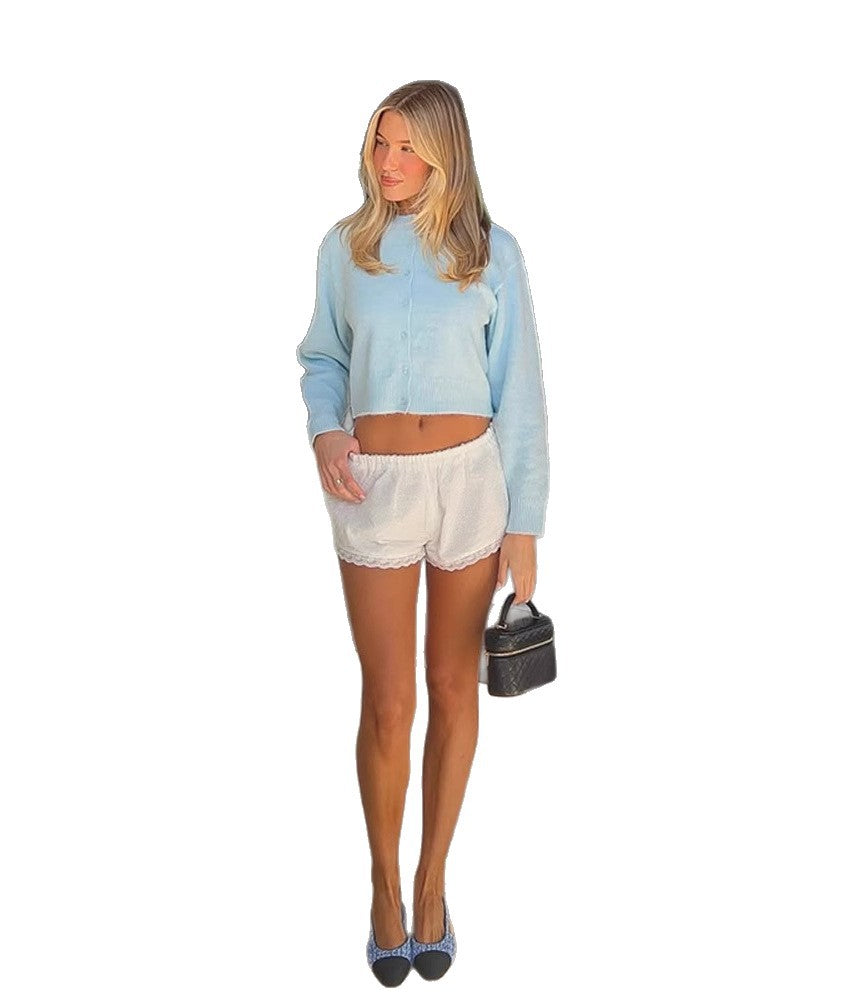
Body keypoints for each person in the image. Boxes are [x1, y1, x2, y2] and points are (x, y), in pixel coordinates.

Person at [295, 80, 550, 986]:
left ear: (446, 151)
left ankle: (432, 882)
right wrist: (327, 428)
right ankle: (383, 887)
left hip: (472, 482)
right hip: (375, 484)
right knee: (389, 701)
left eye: (406, 146)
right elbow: (322, 357)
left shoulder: (490, 251)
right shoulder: (346, 247)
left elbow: (520, 388)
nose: (388, 162)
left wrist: (526, 522)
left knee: (453, 687)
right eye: (379, 143)